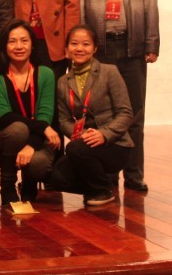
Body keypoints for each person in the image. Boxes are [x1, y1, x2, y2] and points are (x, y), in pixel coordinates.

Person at [76, 0, 159, 192]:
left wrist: (151, 43)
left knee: (134, 114)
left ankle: (134, 175)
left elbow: (151, 3)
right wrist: (84, 48)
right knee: (103, 115)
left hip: (132, 46)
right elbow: (82, 10)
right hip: (101, 49)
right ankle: (108, 175)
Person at [49, 25, 134, 206]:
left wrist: (104, 134)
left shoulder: (109, 72)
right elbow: (63, 120)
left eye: (86, 44)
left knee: (74, 149)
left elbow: (125, 113)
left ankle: (101, 190)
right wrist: (79, 134)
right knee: (56, 178)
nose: (79, 48)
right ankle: (99, 186)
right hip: (84, 143)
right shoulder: (63, 82)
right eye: (74, 44)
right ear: (66, 49)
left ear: (95, 48)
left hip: (114, 144)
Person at [0, 19, 60, 203]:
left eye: (24, 40)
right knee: (18, 128)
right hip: (6, 139)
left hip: (38, 141)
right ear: (4, 46)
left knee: (38, 164)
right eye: (12, 41)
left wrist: (31, 145)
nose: (19, 46)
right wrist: (43, 128)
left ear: (32, 45)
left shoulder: (46, 74)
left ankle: (29, 185)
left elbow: (45, 115)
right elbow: (5, 117)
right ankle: (7, 186)